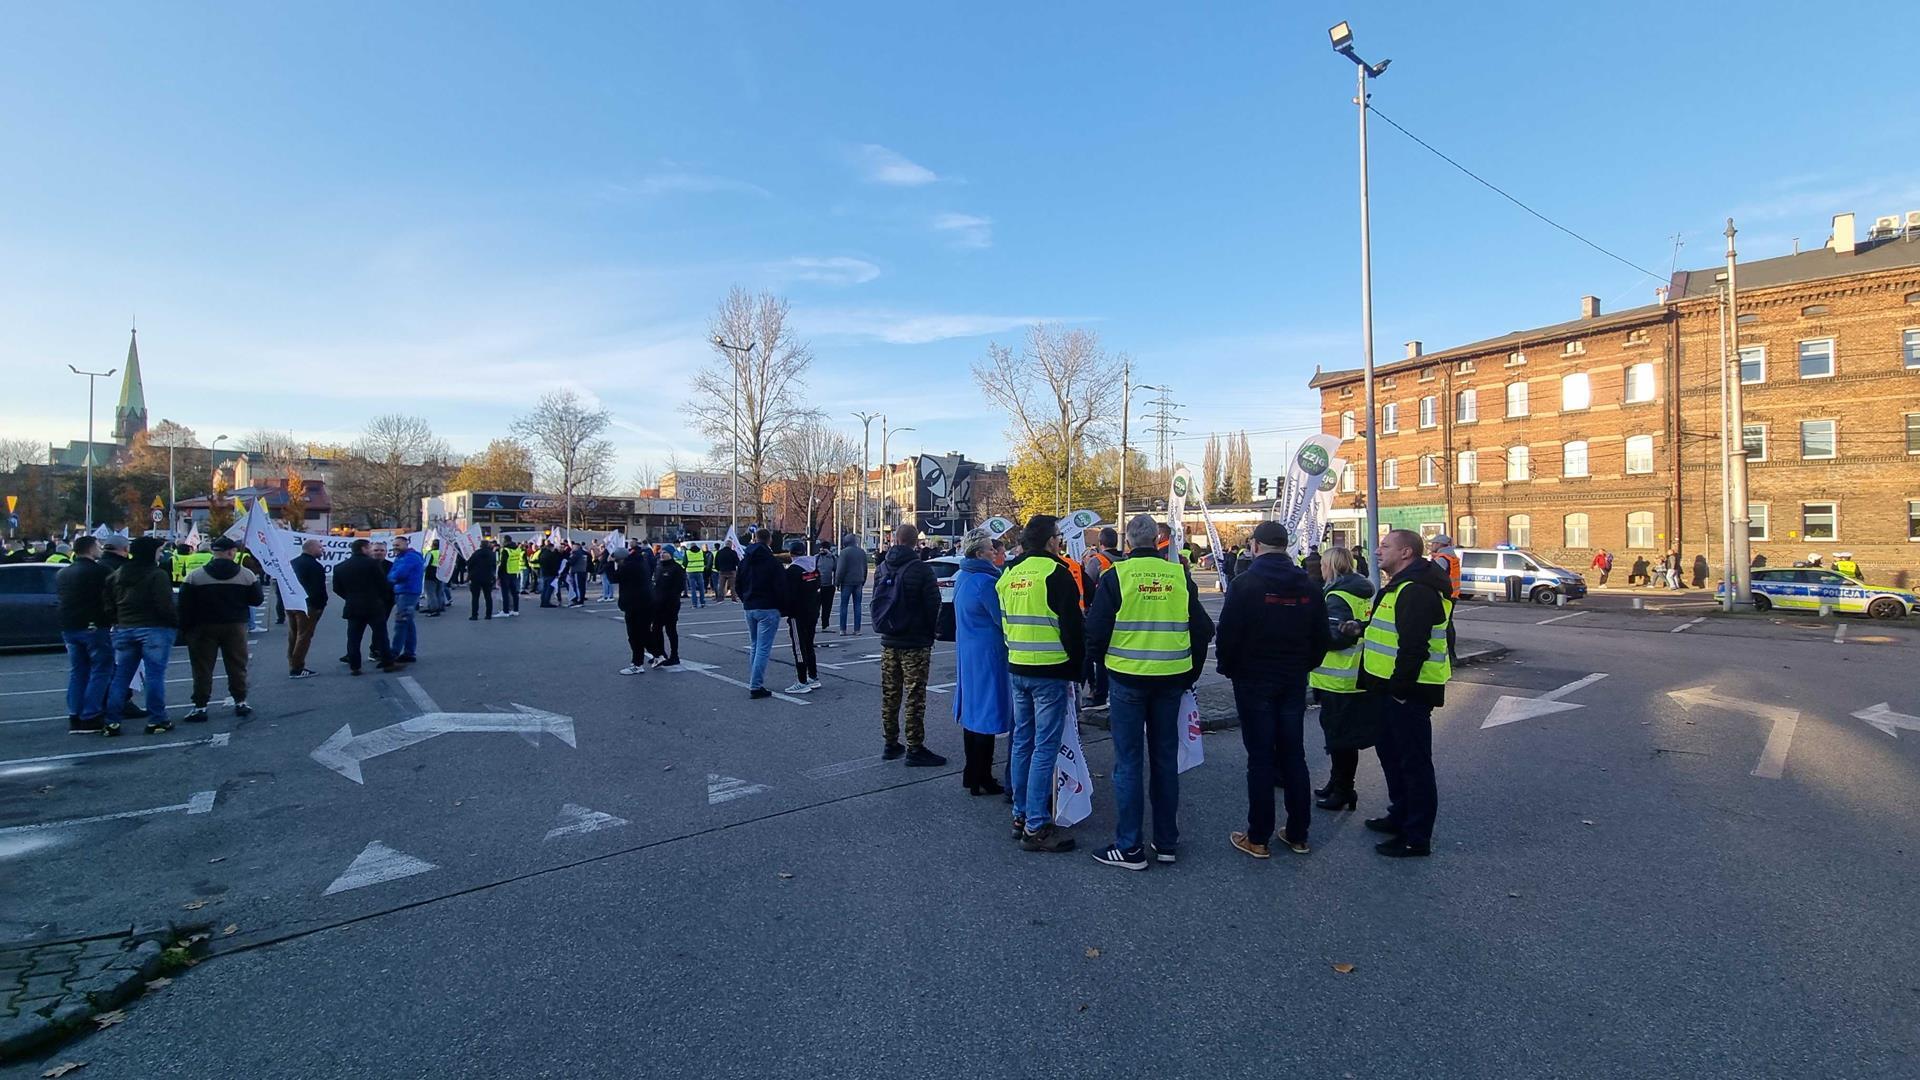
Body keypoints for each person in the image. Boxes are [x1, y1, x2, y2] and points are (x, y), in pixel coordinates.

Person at [1086, 514, 1216, 870]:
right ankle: (1166, 841)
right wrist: (1189, 673)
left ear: (1128, 542)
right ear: (1156, 540)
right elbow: (1203, 629)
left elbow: (1095, 633)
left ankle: (1130, 847)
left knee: (1128, 763)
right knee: (1164, 761)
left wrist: (1095, 671)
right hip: (1170, 680)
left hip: (1128, 680)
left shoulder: (1117, 576)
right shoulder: (1178, 576)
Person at [1211, 521, 1329, 859]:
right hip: (1292, 678)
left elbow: (1229, 633)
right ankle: (1298, 833)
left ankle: (1258, 837)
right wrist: (1304, 665)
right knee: (1293, 755)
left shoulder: (1245, 583)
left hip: (1254, 679)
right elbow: (1321, 636)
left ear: (1256, 546)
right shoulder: (1308, 584)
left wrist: (1228, 668)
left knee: (1261, 758)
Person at [1355, 529, 1452, 858]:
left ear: (1407, 552)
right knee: (1393, 758)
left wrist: (1399, 690)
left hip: (1406, 695)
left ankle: (1416, 836)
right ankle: (1400, 815)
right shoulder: (1399, 586)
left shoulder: (1416, 591)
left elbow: (1414, 648)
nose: (1378, 550)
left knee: (1414, 764)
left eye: (1385, 546)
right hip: (1387, 691)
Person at [997, 515, 1083, 851]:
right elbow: (1073, 631)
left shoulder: (1009, 573)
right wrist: (1076, 671)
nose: (1060, 542)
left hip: (1018, 667)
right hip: (1049, 671)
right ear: (1050, 540)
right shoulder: (1056, 573)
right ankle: (1035, 825)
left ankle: (1021, 815)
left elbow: (1006, 624)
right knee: (1044, 749)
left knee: (1022, 743)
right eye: (1059, 537)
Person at [1308, 546, 1376, 813]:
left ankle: (1343, 790)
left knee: (1340, 740)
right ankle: (1337, 783)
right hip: (1355, 673)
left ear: (1331, 567)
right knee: (1342, 738)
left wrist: (1311, 634)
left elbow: (1336, 637)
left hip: (1338, 678)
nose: (1321, 569)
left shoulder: (1337, 596)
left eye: (1323, 565)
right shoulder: (1361, 591)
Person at [875, 523, 946, 764]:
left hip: (888, 640)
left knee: (890, 693)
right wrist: (930, 632)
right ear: (916, 542)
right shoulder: (921, 570)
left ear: (895, 540)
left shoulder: (882, 567)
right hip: (915, 642)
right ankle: (915, 748)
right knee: (915, 695)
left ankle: (890, 743)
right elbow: (933, 604)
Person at [951, 530, 1011, 797]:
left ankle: (971, 773)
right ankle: (982, 776)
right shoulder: (986, 582)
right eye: (990, 549)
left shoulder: (963, 576)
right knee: (986, 714)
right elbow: (1002, 619)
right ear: (979, 554)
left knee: (973, 714)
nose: (995, 553)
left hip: (969, 652)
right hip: (988, 654)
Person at [177, 536, 261, 723]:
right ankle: (240, 701)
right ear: (231, 552)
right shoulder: (246, 575)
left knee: (202, 667)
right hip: (235, 626)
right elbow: (256, 600)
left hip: (203, 626)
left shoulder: (196, 575)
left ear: (214, 552)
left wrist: (186, 629)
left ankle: (200, 706)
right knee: (237, 665)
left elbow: (184, 605)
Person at [105, 536, 178, 735]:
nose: (161, 554)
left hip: (125, 628)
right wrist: (175, 623)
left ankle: (111, 721)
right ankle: (157, 720)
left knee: (121, 677)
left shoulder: (118, 574)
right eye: (159, 551)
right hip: (154, 628)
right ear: (150, 553)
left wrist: (118, 620)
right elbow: (164, 605)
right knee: (154, 676)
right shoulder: (157, 575)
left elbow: (108, 602)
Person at [55, 535, 115, 734]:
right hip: (94, 626)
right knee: (101, 670)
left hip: (69, 626)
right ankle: (91, 715)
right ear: (90, 549)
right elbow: (109, 597)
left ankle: (75, 714)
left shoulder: (63, 573)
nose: (100, 549)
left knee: (78, 671)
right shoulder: (100, 572)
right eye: (97, 546)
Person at [334, 539, 397, 675]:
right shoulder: (373, 564)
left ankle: (355, 666)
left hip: (353, 606)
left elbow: (336, 588)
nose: (371, 551)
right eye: (370, 548)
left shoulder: (340, 566)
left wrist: (350, 597)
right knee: (381, 635)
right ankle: (387, 663)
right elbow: (383, 584)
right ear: (363, 549)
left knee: (353, 637)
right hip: (373, 605)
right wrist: (380, 598)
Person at [737, 530, 787, 699]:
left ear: (755, 539)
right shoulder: (772, 562)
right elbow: (781, 587)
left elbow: (738, 584)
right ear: (769, 541)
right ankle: (756, 685)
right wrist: (782, 606)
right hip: (768, 607)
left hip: (750, 606)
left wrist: (746, 599)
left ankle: (754, 681)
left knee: (755, 645)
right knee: (763, 649)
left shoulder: (745, 561)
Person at [1080, 527, 1123, 712]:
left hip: (1100, 613)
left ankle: (1098, 694)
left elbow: (1087, 585)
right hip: (1122, 613)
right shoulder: (1126, 560)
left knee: (1097, 658)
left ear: (1101, 542)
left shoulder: (1096, 561)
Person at [780, 540, 823, 694]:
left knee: (799, 648)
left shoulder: (792, 571)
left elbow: (788, 594)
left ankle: (802, 680)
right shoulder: (813, 568)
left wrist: (785, 611)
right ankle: (813, 676)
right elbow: (818, 587)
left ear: (791, 554)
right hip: (812, 611)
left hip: (797, 614)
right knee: (809, 644)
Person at [617, 540, 661, 675]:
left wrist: (609, 562)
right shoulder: (640, 561)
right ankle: (658, 655)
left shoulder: (629, 566)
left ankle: (637, 664)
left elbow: (615, 577)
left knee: (635, 635)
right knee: (643, 633)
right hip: (644, 602)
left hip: (636, 604)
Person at [287, 538, 328, 678]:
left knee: (294, 635)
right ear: (311, 548)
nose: (322, 550)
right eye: (320, 547)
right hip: (308, 606)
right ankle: (297, 668)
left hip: (292, 604)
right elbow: (318, 589)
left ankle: (292, 662)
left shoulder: (292, 563)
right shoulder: (315, 566)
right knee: (304, 636)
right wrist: (320, 606)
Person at [387, 535, 425, 663]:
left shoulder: (409, 558)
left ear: (406, 544)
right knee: (408, 623)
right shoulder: (404, 557)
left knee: (401, 622)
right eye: (393, 545)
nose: (395, 548)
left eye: (397, 545)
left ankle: (394, 652)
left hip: (407, 591)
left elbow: (399, 573)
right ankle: (409, 652)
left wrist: (390, 578)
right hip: (405, 590)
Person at [650, 542, 684, 667]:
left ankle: (674, 656)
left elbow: (678, 587)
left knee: (670, 630)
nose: (663, 555)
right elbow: (656, 585)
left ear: (671, 555)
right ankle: (660, 654)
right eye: (662, 553)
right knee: (656, 629)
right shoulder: (659, 567)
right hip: (657, 604)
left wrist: (670, 601)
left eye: (666, 553)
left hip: (670, 605)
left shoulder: (676, 569)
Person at [836, 533, 868, 634]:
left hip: (846, 582)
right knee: (857, 605)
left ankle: (843, 629)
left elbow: (840, 569)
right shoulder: (862, 552)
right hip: (859, 581)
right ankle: (857, 629)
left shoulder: (844, 553)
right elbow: (865, 568)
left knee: (844, 606)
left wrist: (837, 582)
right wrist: (863, 580)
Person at [468, 538, 498, 620]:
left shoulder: (476, 553)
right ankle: (488, 615)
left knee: (475, 597)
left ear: (480, 545)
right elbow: (494, 565)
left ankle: (474, 615)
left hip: (476, 577)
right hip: (488, 577)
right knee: (488, 597)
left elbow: (469, 564)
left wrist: (470, 574)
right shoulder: (492, 554)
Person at [814, 542, 838, 633]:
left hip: (829, 586)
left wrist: (835, 583)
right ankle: (814, 624)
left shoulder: (832, 558)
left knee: (827, 607)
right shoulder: (816, 558)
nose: (823, 550)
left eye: (825, 548)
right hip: (818, 587)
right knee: (816, 607)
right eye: (821, 548)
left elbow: (836, 569)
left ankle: (825, 625)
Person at [497, 535, 522, 617]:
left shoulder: (505, 550)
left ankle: (505, 611)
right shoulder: (517, 549)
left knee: (505, 593)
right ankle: (515, 610)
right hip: (514, 572)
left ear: (505, 541)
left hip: (506, 573)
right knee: (514, 593)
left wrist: (499, 576)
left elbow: (503, 564)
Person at [538, 541, 564, 607]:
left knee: (545, 588)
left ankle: (543, 601)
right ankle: (546, 602)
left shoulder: (542, 553)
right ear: (551, 548)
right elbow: (555, 563)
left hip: (544, 572)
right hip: (551, 573)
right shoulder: (551, 555)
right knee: (549, 589)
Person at [683, 542, 708, 609]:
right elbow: (705, 561)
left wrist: (683, 568)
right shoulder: (701, 552)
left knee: (693, 589)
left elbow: (684, 562)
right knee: (701, 588)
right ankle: (702, 603)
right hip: (700, 571)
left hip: (690, 572)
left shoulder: (687, 552)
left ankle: (694, 604)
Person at [568, 541, 590, 605]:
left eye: (573, 547)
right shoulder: (585, 553)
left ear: (577, 547)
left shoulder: (576, 553)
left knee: (577, 586)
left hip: (577, 571)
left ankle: (578, 599)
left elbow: (571, 562)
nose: (572, 548)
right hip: (583, 571)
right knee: (582, 586)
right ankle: (581, 599)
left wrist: (568, 559)